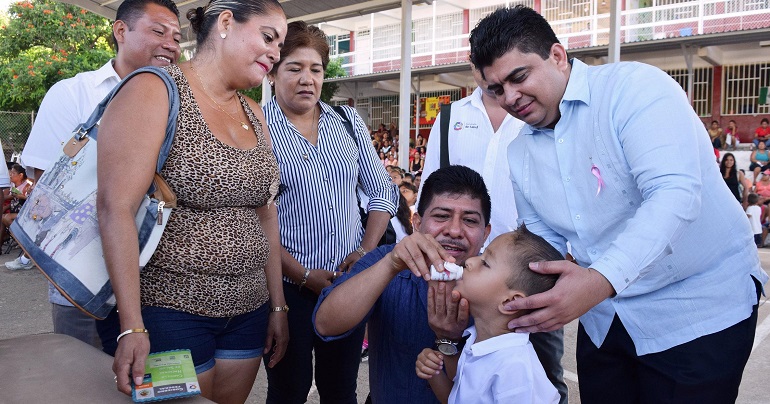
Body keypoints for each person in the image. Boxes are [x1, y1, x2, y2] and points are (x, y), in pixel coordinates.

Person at [470, 6, 766, 403]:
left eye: (518, 77)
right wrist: (498, 292)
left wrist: (599, 279)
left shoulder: (633, 90)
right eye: (495, 89)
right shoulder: (520, 150)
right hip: (606, 319)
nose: (509, 98)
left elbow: (674, 194)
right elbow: (542, 242)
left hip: (696, 313)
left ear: (557, 56)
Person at [96, 0, 289, 400]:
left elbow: (266, 215)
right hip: (171, 311)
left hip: (248, 311)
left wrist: (277, 306)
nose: (276, 53)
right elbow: (115, 208)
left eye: (280, 45)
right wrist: (132, 326)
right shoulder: (156, 89)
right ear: (225, 23)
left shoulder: (254, 112)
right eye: (268, 37)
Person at [18, 0, 183, 349]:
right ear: (121, 31)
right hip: (83, 283)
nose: (171, 43)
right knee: (84, 381)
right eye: (158, 31)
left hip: (161, 291)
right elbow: (52, 184)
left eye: (177, 36)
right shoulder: (72, 93)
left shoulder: (182, 103)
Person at [263, 21, 398, 404]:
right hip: (287, 290)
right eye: (294, 68)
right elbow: (256, 221)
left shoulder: (347, 122)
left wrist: (364, 253)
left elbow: (382, 193)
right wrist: (303, 275)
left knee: (340, 389)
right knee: (288, 389)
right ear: (273, 73)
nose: (306, 79)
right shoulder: (256, 128)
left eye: (315, 69)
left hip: (346, 285)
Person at [420, 62, 567, 401]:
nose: (493, 72)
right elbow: (432, 192)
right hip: (464, 269)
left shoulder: (536, 111)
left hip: (531, 271)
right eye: (482, 62)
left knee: (543, 370)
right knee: (470, 361)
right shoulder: (449, 116)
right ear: (473, 65)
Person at [314, 165, 492, 404]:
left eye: (470, 220)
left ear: (486, 232)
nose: (454, 230)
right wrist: (391, 265)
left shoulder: (501, 282)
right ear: (416, 222)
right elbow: (326, 324)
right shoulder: (387, 259)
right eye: (441, 216)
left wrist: (449, 340)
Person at [415, 226, 561, 404]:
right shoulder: (478, 339)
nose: (470, 262)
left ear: (510, 302)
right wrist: (434, 374)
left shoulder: (514, 368)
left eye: (485, 263)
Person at [1, 164, 33, 260]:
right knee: (3, 218)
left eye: (13, 173)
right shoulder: (13, 186)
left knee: (6, 218)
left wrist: (20, 196)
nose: (10, 175)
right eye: (10, 172)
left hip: (24, 212)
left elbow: (30, 200)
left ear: (20, 175)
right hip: (14, 210)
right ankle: (11, 238)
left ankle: (20, 239)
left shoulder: (27, 186)